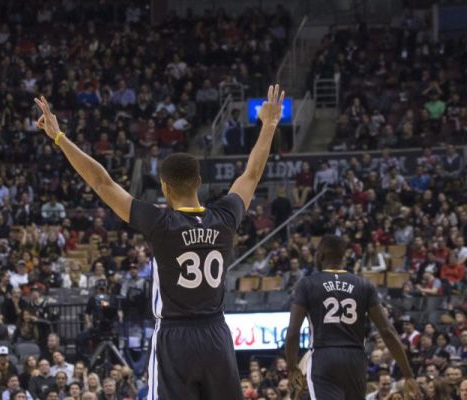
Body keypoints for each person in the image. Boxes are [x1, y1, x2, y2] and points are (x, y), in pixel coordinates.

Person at [34, 84, 286, 400]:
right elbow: (252, 174)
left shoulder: (161, 223)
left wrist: (60, 138)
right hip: (217, 334)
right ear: (199, 182)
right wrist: (270, 124)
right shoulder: (225, 216)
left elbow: (102, 182)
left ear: (165, 188)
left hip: (175, 336)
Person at [284, 235, 420, 400]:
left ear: (320, 255)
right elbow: (387, 331)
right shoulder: (364, 285)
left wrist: (292, 367)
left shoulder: (307, 284)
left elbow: (292, 333)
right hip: (355, 358)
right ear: (343, 256)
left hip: (324, 356)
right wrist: (408, 375)